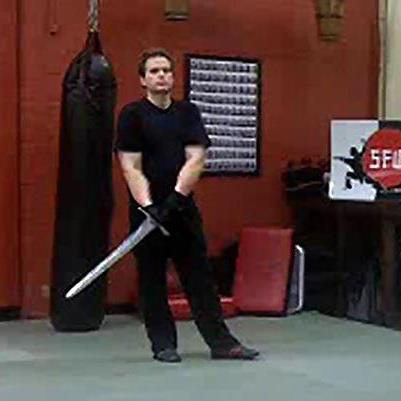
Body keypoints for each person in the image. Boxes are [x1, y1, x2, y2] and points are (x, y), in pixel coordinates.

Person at [115, 48, 259, 363]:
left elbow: (196, 158)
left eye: (166, 70)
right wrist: (150, 205)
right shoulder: (132, 115)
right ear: (143, 80)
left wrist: (178, 198)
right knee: (151, 280)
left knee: (199, 276)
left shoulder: (187, 112)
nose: (161, 75)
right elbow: (130, 166)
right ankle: (163, 345)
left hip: (182, 210)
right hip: (147, 215)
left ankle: (221, 343)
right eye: (154, 71)